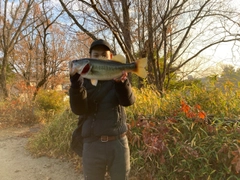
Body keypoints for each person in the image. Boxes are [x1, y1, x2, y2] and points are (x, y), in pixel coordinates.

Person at [69, 39, 135, 180]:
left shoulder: (118, 78)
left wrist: (122, 84)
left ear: (111, 57)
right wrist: (76, 86)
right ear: (90, 58)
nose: (100, 58)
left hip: (118, 143)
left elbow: (128, 101)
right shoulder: (83, 81)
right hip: (92, 145)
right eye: (96, 55)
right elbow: (79, 110)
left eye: (104, 55)